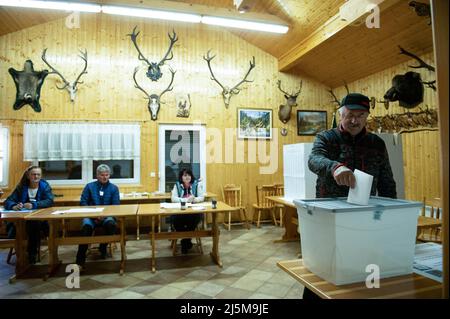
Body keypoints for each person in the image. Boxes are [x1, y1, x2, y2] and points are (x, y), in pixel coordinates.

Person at [304, 93, 397, 299]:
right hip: (329, 215)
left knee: (360, 264)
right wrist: (335, 167)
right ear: (341, 114)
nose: (354, 120)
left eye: (360, 115)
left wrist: (390, 214)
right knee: (323, 267)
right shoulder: (326, 138)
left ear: (367, 117)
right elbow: (314, 159)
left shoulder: (377, 144)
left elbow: (387, 182)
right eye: (349, 115)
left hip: (364, 215)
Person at [4, 166, 54, 264]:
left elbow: (49, 201)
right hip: (22, 218)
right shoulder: (21, 187)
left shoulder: (44, 186)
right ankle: (21, 251)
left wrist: (33, 205)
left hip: (39, 219)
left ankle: (32, 253)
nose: (36, 176)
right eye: (33, 174)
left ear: (41, 176)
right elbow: (8, 201)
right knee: (19, 226)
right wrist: (14, 206)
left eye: (38, 174)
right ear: (28, 176)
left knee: (33, 224)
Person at [75, 164, 120, 267]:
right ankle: (80, 260)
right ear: (97, 175)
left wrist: (103, 216)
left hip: (107, 216)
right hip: (90, 216)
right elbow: (83, 203)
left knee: (111, 224)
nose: (104, 177)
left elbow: (116, 206)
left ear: (109, 175)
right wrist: (94, 216)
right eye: (102, 175)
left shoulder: (114, 188)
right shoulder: (89, 186)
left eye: (107, 175)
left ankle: (103, 247)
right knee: (86, 228)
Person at [170, 169, 205, 254]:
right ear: (181, 177)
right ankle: (187, 241)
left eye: (189, 175)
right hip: (180, 212)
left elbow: (202, 197)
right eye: (185, 175)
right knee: (176, 221)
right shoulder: (177, 185)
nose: (187, 177)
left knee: (194, 219)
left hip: (193, 212)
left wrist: (194, 199)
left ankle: (184, 242)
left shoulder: (196, 184)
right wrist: (185, 200)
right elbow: (173, 198)